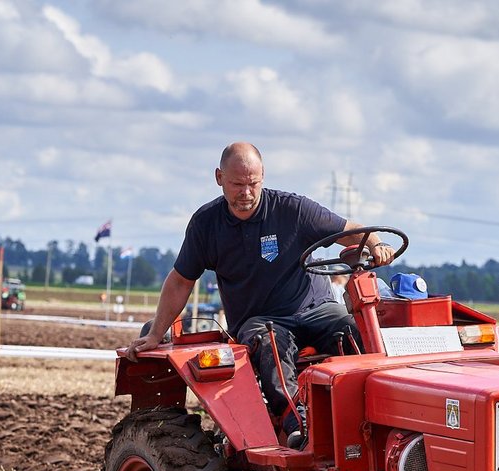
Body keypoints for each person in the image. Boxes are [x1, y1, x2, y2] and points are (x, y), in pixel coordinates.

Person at [126, 142, 395, 445]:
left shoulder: (292, 210)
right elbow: (181, 281)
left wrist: (374, 243)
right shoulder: (206, 224)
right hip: (261, 318)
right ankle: (297, 421)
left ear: (263, 176)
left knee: (351, 330)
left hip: (315, 308)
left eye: (253, 183)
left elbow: (350, 230)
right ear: (219, 178)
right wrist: (155, 332)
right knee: (268, 343)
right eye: (237, 184)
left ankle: (371, 415)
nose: (246, 193)